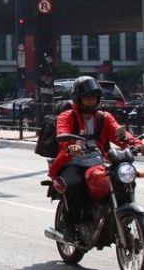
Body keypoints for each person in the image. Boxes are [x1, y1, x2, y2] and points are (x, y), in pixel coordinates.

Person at [50, 76, 142, 243]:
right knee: (75, 186)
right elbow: (62, 132)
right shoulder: (67, 116)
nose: (91, 101)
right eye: (87, 97)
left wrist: (136, 144)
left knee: (123, 181)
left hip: (97, 162)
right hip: (72, 162)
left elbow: (119, 133)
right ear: (78, 98)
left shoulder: (104, 117)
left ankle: (117, 217)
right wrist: (70, 145)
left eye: (94, 97)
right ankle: (70, 227)